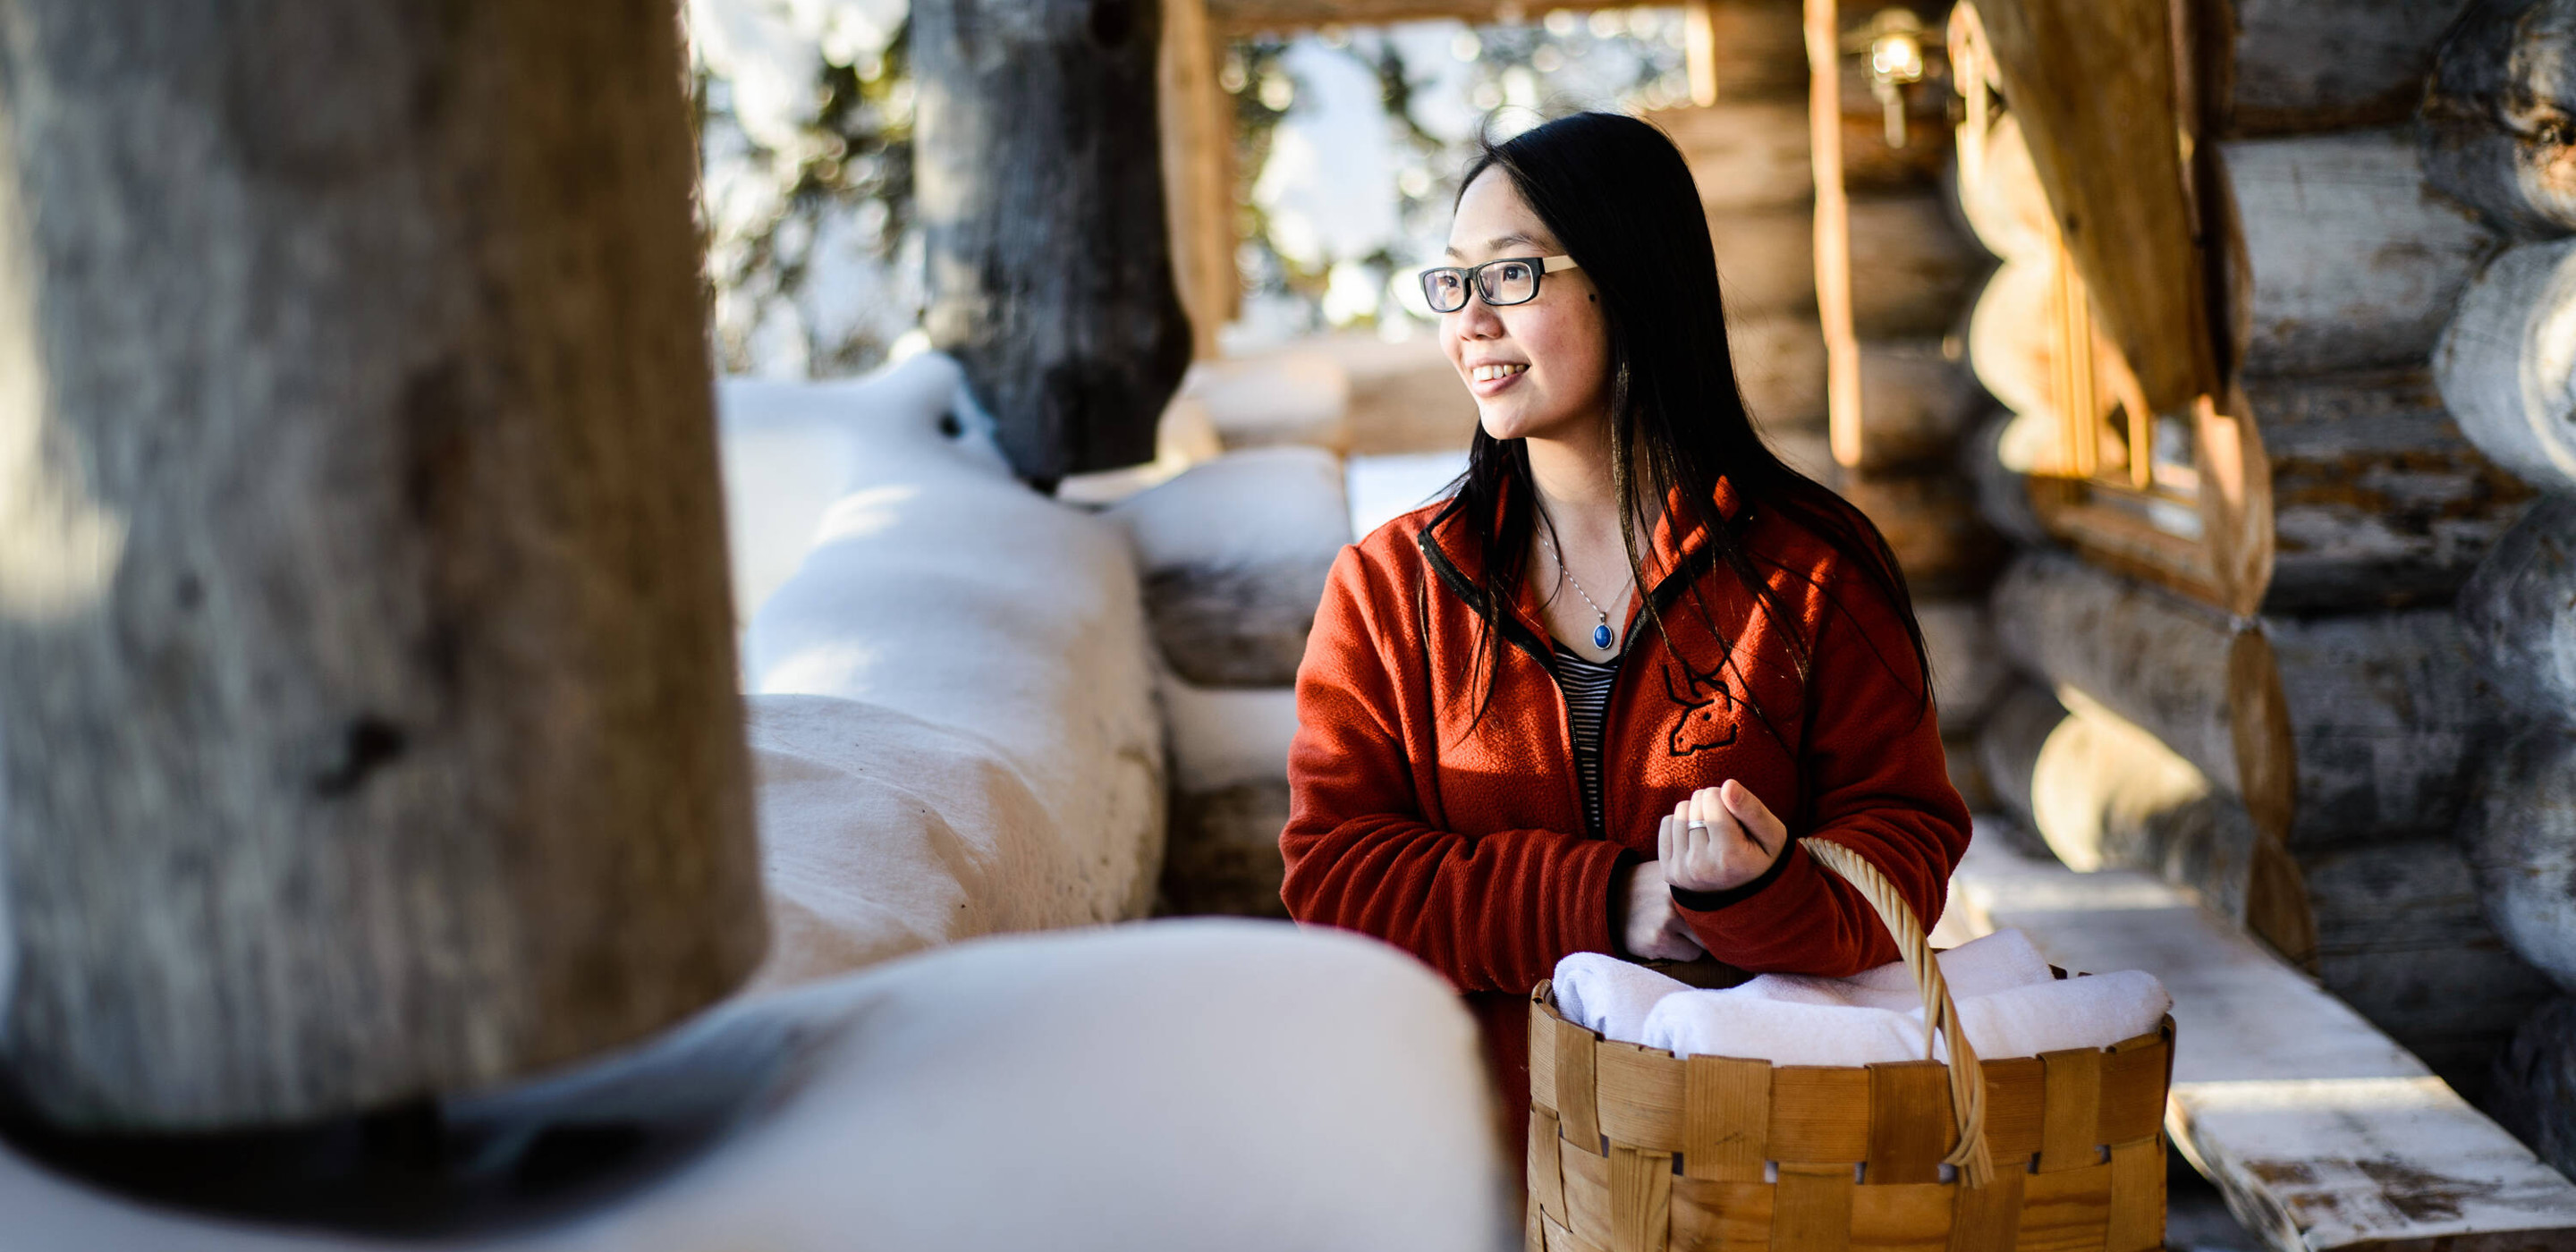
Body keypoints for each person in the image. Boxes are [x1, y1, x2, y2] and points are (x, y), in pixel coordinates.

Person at [1277, 112, 1971, 1131]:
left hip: (1766, 1162)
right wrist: (1609, 901)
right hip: (1488, 1165)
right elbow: (1335, 877)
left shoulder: (1808, 570)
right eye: (1453, 280)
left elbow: (1904, 850)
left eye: (1512, 275)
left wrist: (1761, 889)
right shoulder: (1391, 589)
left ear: (1630, 277)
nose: (1469, 319)